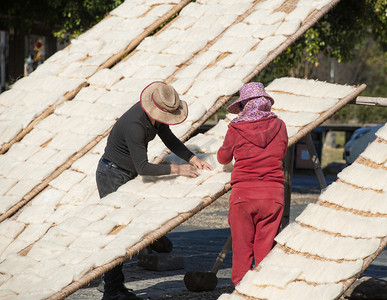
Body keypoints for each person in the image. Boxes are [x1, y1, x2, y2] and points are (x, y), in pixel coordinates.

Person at [96, 81, 212, 300]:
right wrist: (178, 169)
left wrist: (193, 158)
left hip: (126, 172)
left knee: (128, 226)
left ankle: (118, 282)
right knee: (116, 234)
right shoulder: (135, 125)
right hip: (112, 174)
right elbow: (143, 168)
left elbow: (169, 139)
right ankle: (112, 290)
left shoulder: (156, 120)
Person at [217, 82, 288, 286]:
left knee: (242, 248)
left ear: (244, 106)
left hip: (243, 196)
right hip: (274, 196)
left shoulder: (236, 127)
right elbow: (281, 153)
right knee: (265, 248)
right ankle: (263, 290)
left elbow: (223, 158)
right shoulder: (280, 125)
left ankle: (242, 290)